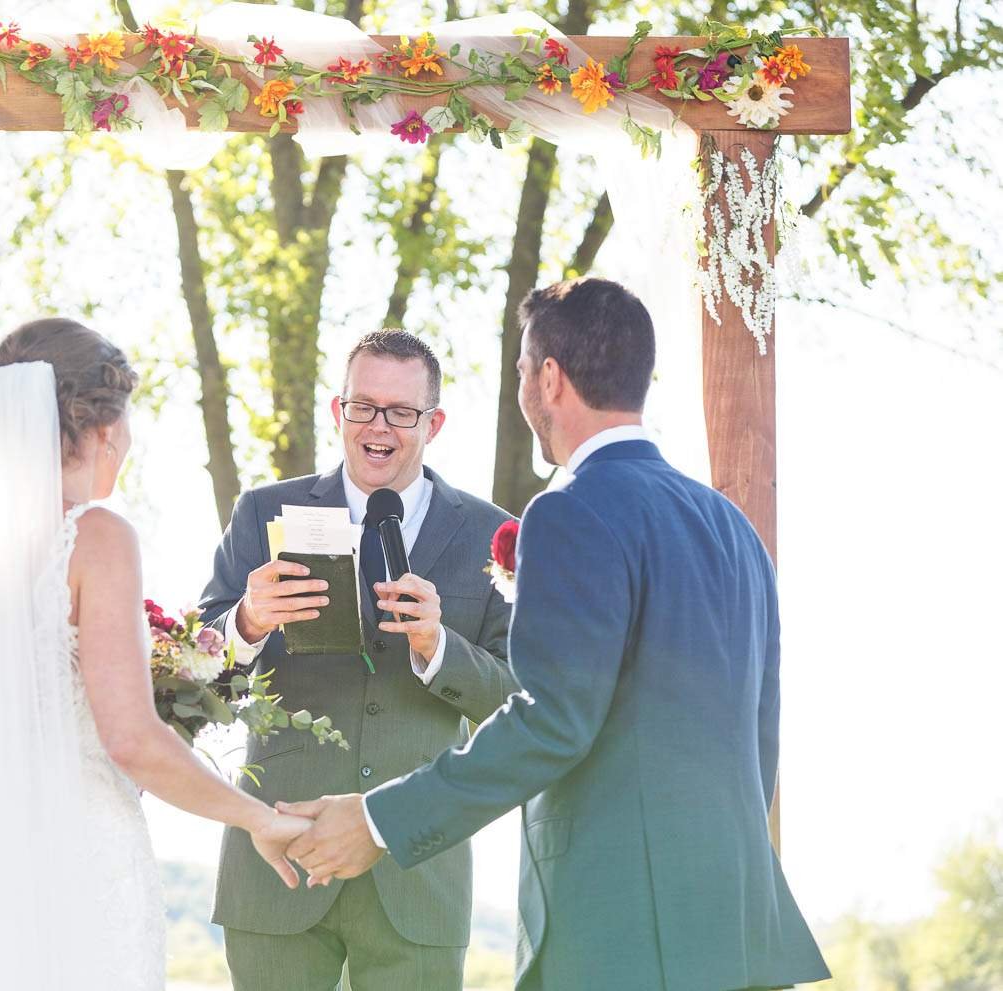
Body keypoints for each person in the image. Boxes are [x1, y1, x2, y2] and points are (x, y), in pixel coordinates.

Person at [280, 279, 832, 991]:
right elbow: (762, 730)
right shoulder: (733, 529)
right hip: (740, 928)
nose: (520, 390)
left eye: (519, 371)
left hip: (623, 933)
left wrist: (381, 820)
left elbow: (552, 719)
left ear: (549, 377)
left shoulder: (571, 511)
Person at [0, 318, 312, 990]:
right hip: (84, 871)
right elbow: (131, 739)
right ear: (106, 427)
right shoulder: (98, 538)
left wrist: (13, 790)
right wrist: (255, 815)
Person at [198, 330, 520, 990]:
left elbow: (522, 701)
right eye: (363, 406)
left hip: (417, 874)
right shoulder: (262, 512)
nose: (379, 426)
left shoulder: (493, 532)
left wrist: (439, 648)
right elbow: (192, 670)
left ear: (434, 422)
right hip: (279, 861)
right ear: (337, 410)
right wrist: (247, 621)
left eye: (401, 411)